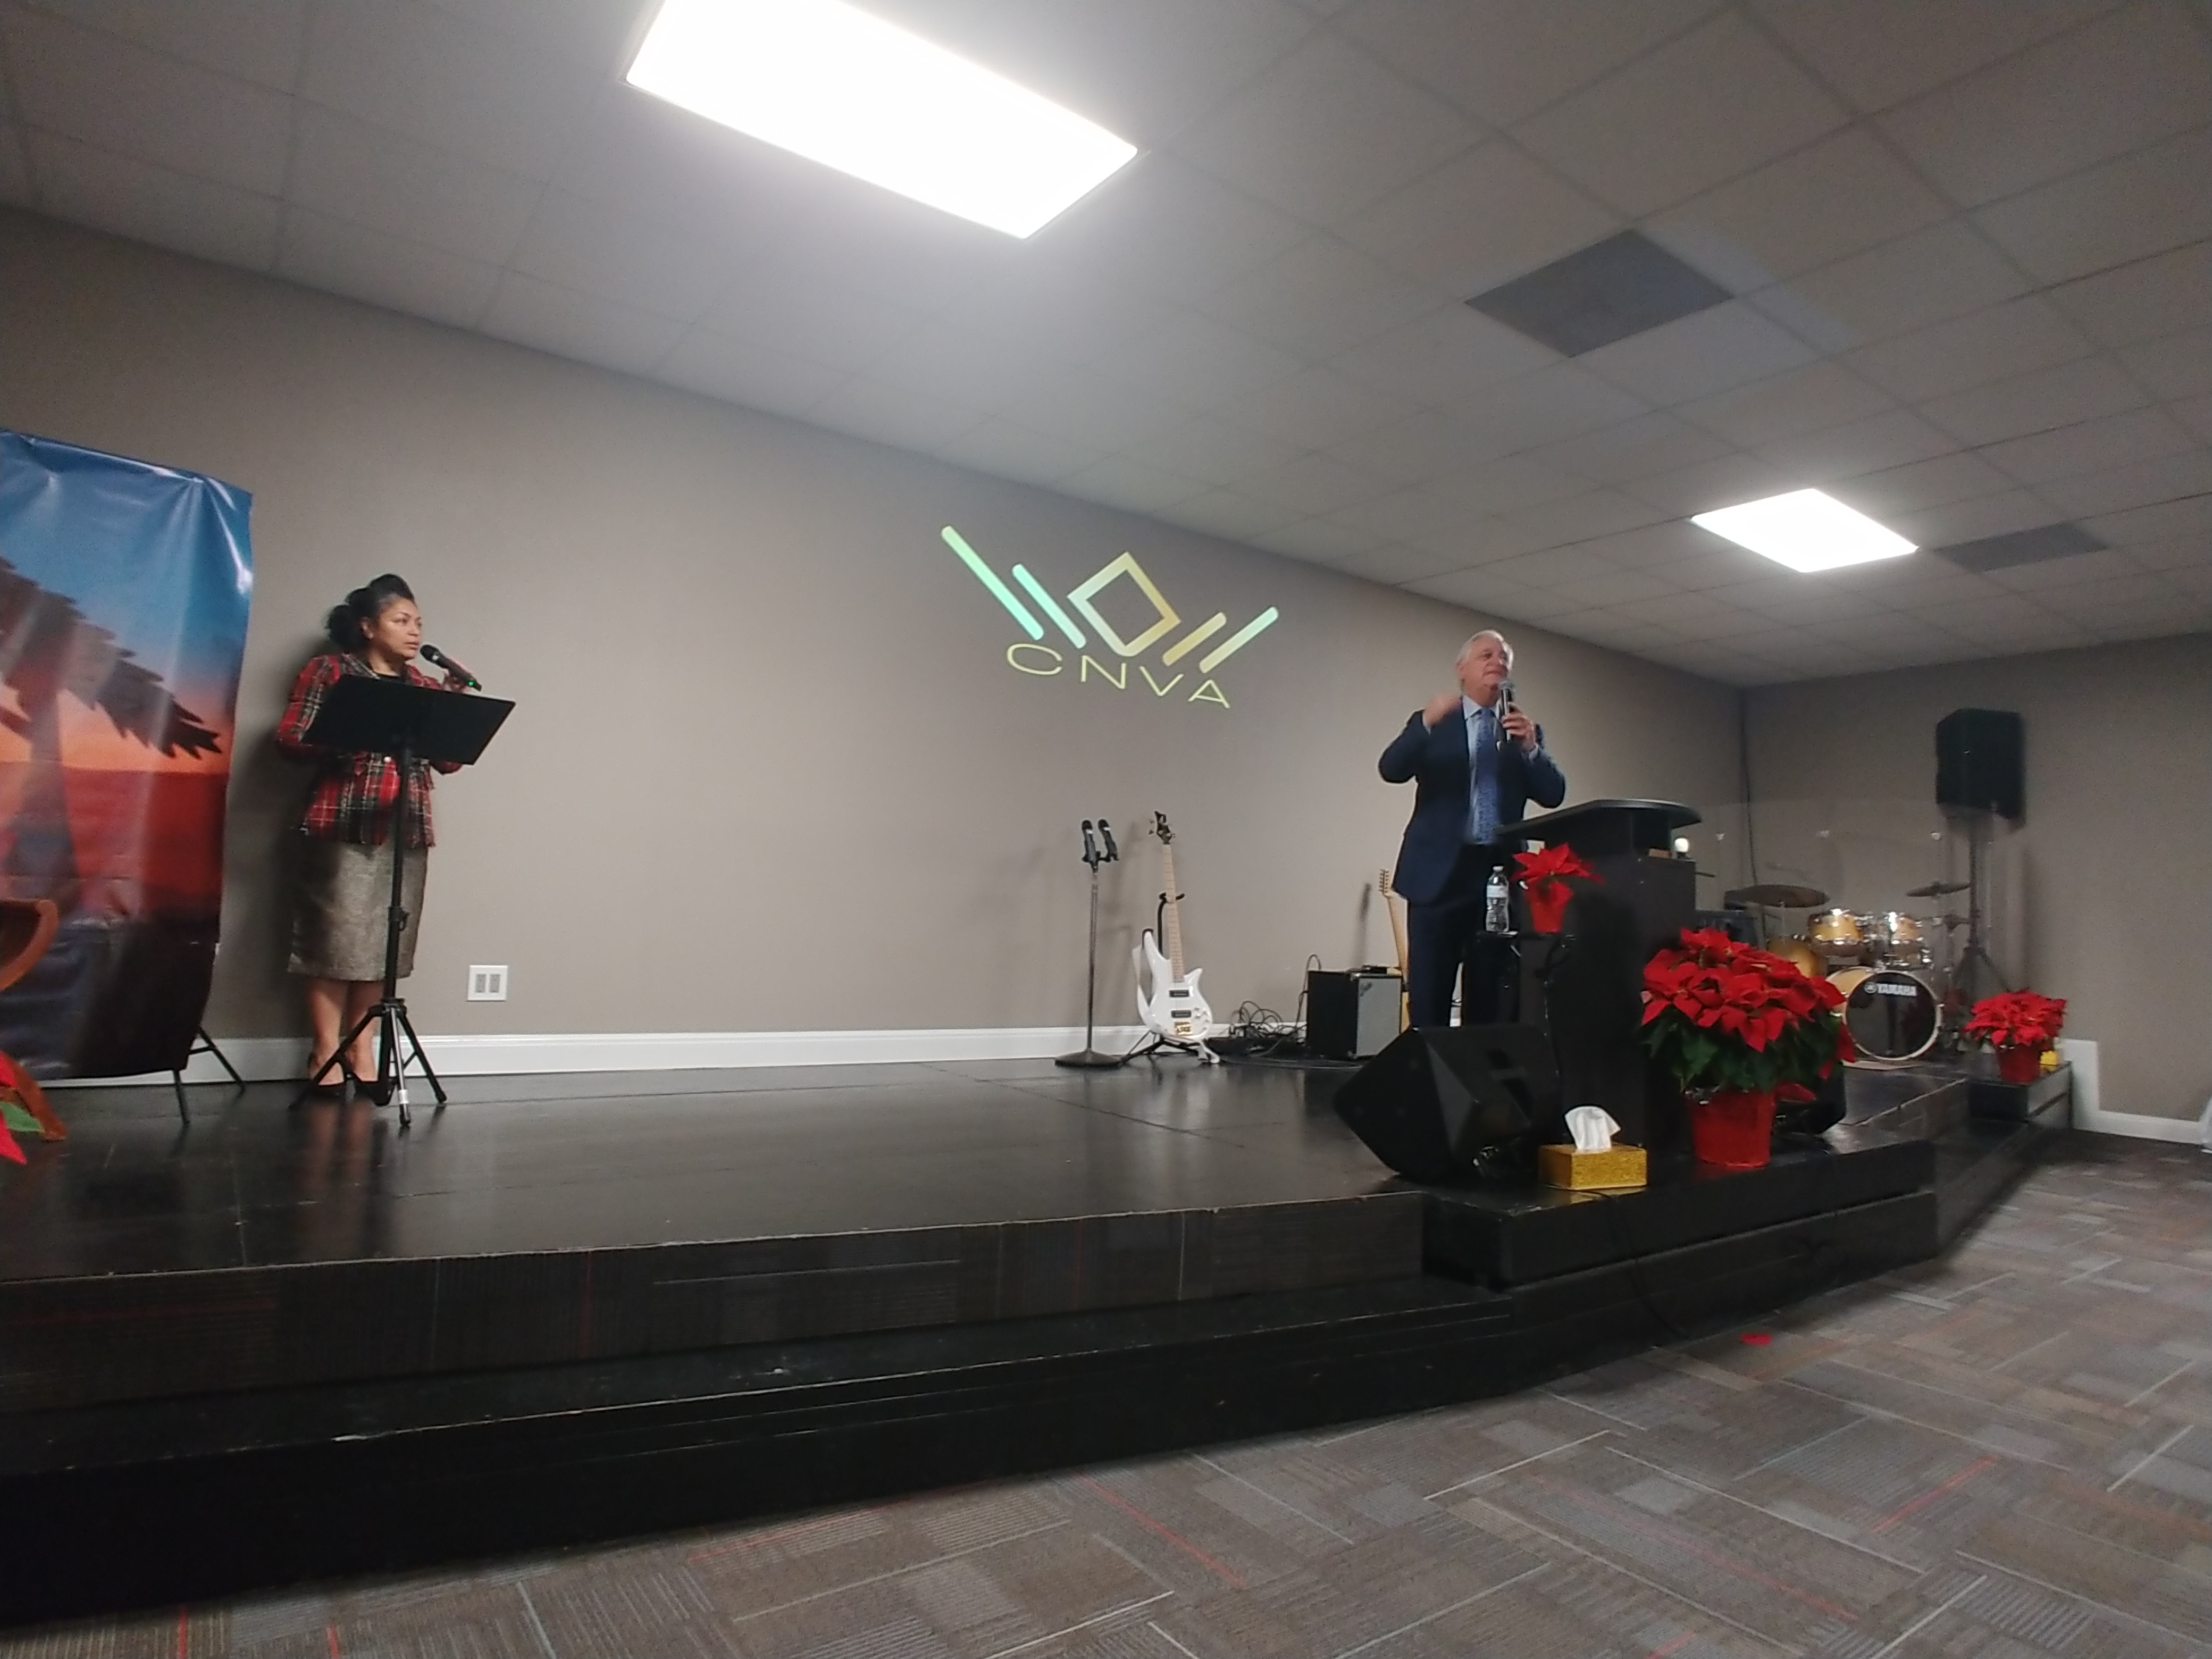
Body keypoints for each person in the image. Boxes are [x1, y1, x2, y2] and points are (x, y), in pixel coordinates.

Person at [274, 575, 471, 1090]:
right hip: (343, 819)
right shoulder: (331, 671)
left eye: (418, 622)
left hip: (406, 826)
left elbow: (449, 761)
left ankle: (362, 1048)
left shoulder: (423, 685)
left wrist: (453, 710)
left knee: (383, 941)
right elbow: (290, 738)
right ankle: (324, 1052)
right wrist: (346, 734)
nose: (414, 631)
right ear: (368, 626)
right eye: (401, 621)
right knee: (334, 937)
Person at [1380, 630, 1566, 1028]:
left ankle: (1480, 1068)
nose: (1497, 662)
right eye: (1486, 655)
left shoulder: (1522, 732)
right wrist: (1425, 722)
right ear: (1461, 669)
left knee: (1489, 1001)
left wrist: (1532, 749)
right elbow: (1391, 769)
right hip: (1437, 879)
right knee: (1430, 998)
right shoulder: (1435, 724)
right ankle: (1430, 1068)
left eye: (1504, 658)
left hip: (1496, 879)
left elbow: (1554, 795)